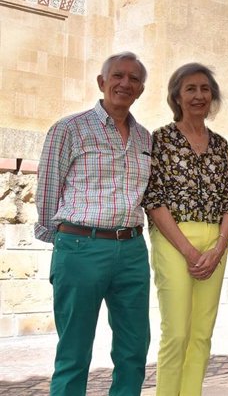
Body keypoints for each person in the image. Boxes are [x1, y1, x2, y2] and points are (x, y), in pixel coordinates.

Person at [34, 51, 152, 395]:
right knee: (74, 351)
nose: (124, 83)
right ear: (102, 82)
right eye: (117, 76)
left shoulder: (145, 138)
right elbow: (47, 191)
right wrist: (65, 242)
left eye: (133, 79)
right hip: (81, 246)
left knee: (134, 349)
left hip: (132, 250)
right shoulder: (69, 128)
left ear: (141, 89)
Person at [142, 63, 228, 396]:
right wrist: (189, 250)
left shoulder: (221, 145)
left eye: (205, 89)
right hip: (173, 240)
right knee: (177, 333)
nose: (199, 96)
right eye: (190, 89)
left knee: (201, 334)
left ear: (212, 97)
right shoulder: (161, 139)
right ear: (177, 97)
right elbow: (154, 199)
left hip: (215, 241)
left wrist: (219, 247)